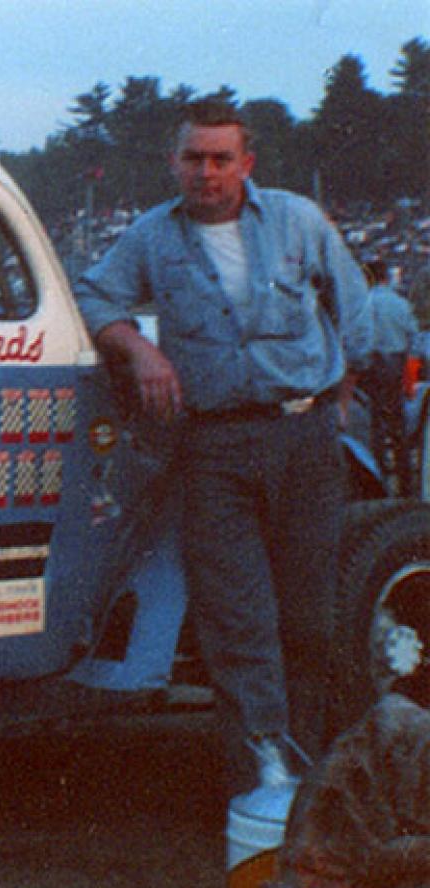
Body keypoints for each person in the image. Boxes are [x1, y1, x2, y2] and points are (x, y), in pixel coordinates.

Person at [73, 99, 373, 793]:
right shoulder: (152, 235)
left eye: (220, 159)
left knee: (308, 619)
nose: (206, 172)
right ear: (173, 162)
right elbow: (95, 297)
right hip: (213, 448)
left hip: (305, 438)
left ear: (246, 163)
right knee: (240, 622)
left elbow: (354, 308)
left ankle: (306, 781)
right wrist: (141, 350)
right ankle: (261, 786)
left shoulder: (296, 218)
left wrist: (342, 396)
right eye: (193, 158)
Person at [362, 258, 419, 494]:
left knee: (374, 423)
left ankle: (377, 479)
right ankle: (405, 481)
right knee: (397, 422)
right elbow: (414, 338)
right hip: (395, 365)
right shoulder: (400, 304)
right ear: (387, 276)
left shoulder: (364, 303)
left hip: (371, 366)